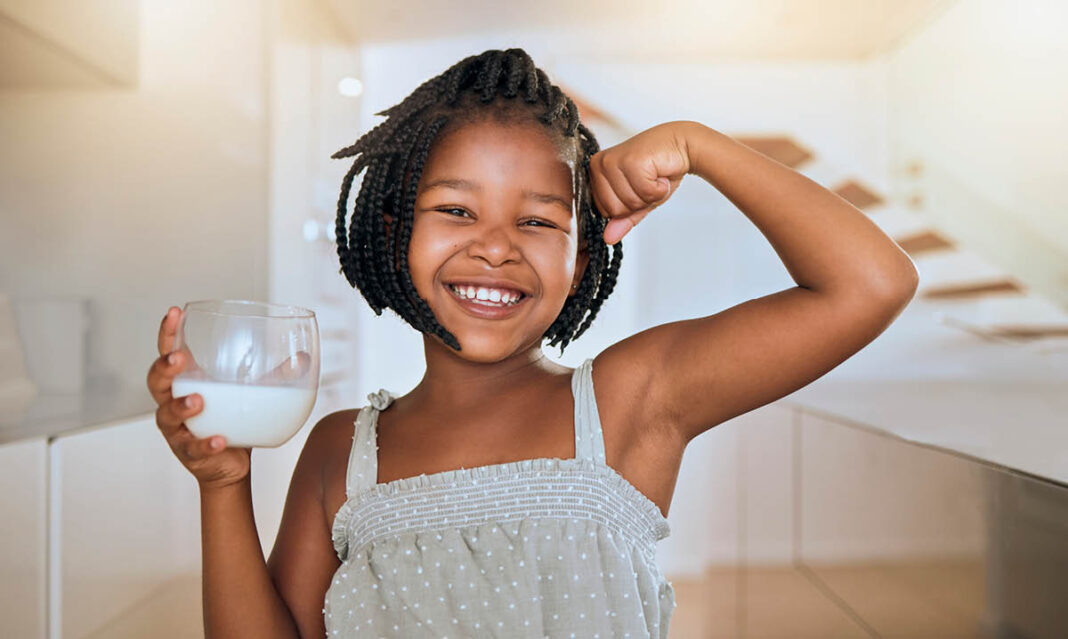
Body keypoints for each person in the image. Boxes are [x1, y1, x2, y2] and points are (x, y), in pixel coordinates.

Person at [146, 48, 918, 638]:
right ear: (392, 230)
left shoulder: (629, 402)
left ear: (582, 256)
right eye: (455, 210)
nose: (496, 248)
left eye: (539, 221)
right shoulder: (339, 453)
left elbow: (870, 283)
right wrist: (222, 484)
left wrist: (699, 145)